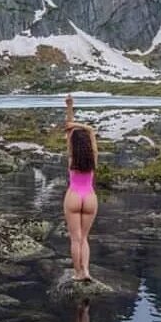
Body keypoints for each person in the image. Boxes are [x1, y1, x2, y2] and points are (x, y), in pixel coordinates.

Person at [63, 94, 97, 281]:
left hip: (74, 196)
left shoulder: (71, 157)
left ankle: (77, 273)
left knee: (75, 238)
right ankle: (87, 272)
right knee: (84, 238)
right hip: (90, 197)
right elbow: (91, 131)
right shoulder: (93, 157)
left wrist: (69, 106)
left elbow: (68, 129)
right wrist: (83, 127)